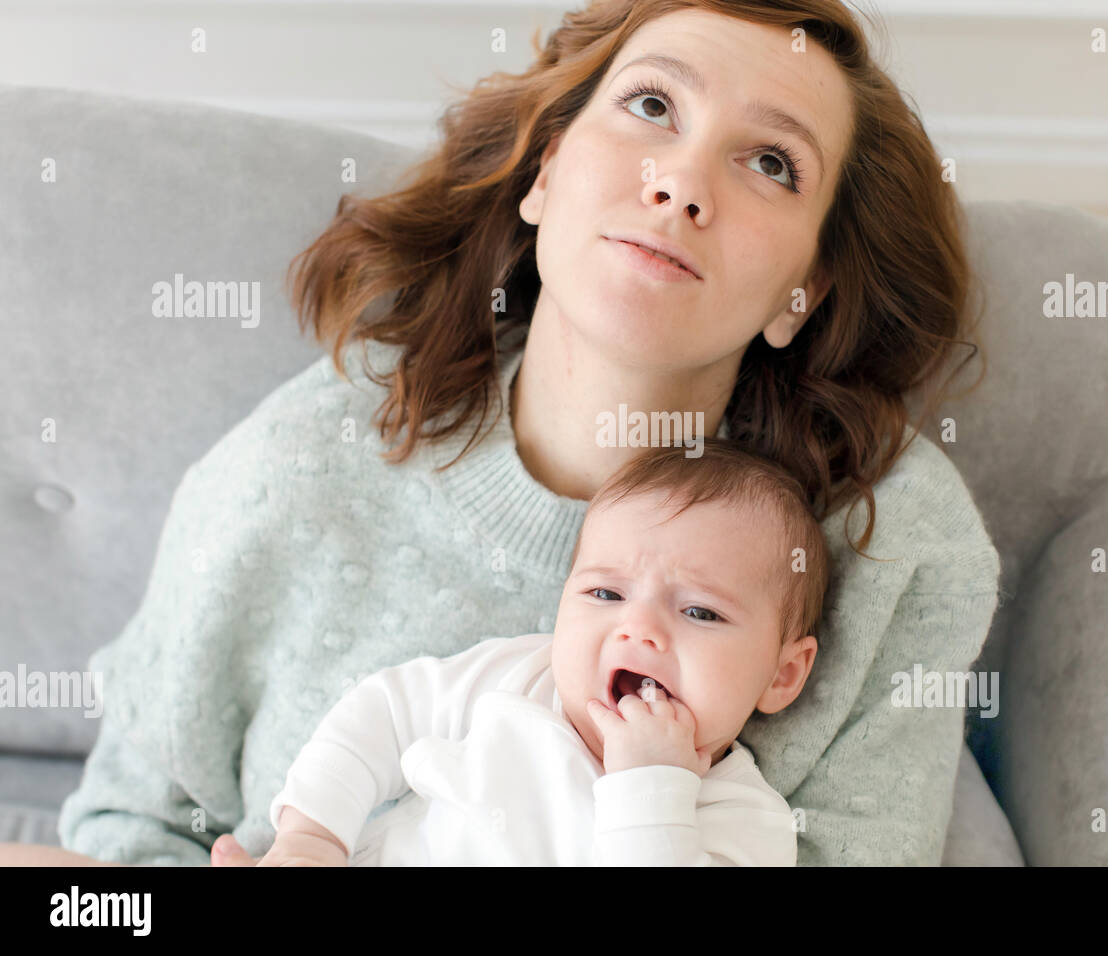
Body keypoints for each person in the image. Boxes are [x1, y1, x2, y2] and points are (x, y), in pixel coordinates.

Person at [3, 0, 1000, 868]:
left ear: (801, 294)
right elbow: (135, 822)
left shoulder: (890, 541)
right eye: (652, 104)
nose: (682, 183)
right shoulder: (314, 453)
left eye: (772, 162)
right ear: (544, 171)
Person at [260, 439, 828, 866]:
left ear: (782, 674)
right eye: (605, 594)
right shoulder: (523, 677)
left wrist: (650, 788)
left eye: (700, 612)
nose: (639, 630)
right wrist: (310, 836)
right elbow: (383, 712)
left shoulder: (746, 824)